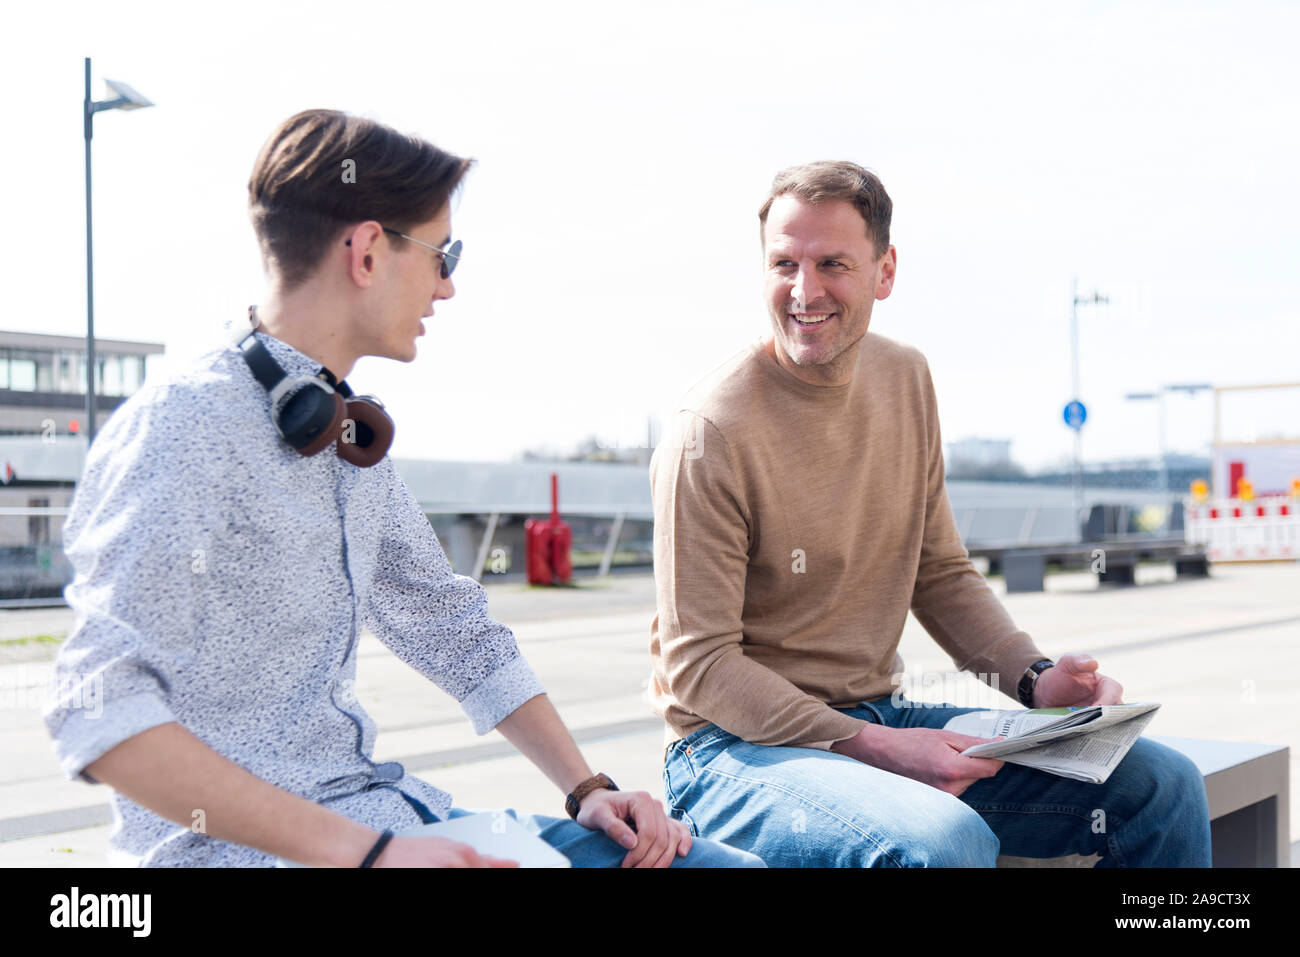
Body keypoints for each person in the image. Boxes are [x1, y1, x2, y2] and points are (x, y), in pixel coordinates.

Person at [43, 108, 763, 869]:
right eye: (440, 253)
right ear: (366, 251)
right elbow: (101, 712)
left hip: (386, 818)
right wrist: (366, 854)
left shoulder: (344, 434)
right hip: (248, 853)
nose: (447, 286)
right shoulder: (185, 425)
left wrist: (588, 787)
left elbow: (454, 629)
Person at [648, 160, 1211, 867]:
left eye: (833, 264)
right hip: (732, 753)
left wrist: (1035, 679)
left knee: (1162, 786)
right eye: (783, 263)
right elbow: (700, 666)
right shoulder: (711, 431)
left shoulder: (904, 378)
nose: (804, 289)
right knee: (942, 841)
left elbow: (937, 570)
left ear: (885, 272)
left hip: (878, 714)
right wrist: (881, 748)